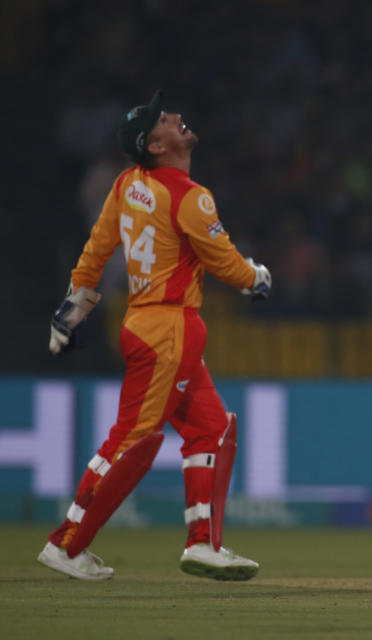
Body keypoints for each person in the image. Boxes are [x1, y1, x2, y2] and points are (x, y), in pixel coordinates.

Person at [38, 90, 272, 581]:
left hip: (149, 325)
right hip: (167, 329)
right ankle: (66, 544)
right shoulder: (190, 195)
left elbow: (97, 248)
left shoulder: (127, 184)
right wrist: (256, 278)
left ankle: (203, 544)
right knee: (133, 441)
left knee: (213, 429)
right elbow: (224, 262)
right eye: (165, 119)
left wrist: (72, 308)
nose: (177, 117)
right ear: (156, 143)